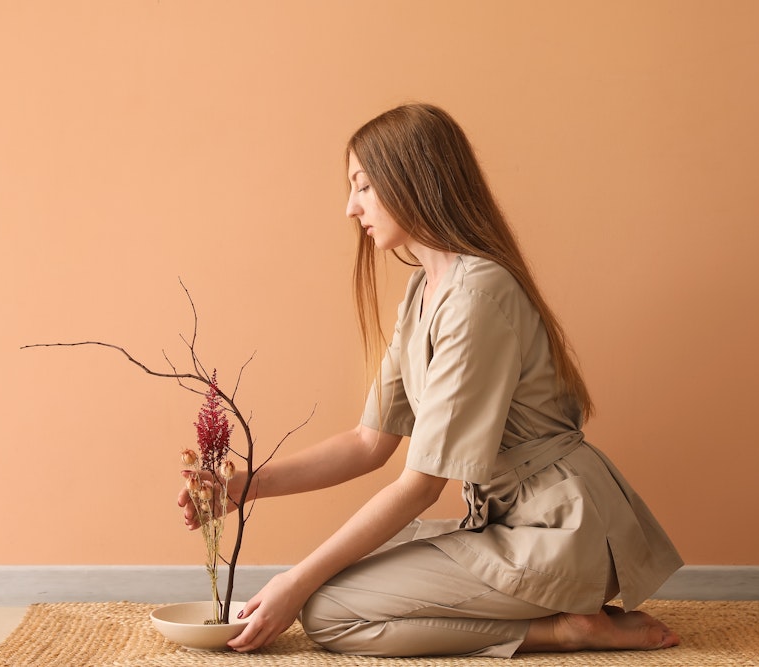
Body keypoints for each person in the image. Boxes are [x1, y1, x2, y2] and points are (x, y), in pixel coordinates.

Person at [178, 103, 684, 658]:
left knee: (324, 611)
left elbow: (420, 485)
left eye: (364, 186)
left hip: (557, 532)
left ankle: (565, 628)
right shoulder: (424, 292)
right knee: (330, 587)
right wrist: (243, 487)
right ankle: (564, 621)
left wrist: (293, 584)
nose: (351, 208)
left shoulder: (476, 298)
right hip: (503, 522)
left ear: (412, 180)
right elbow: (369, 442)